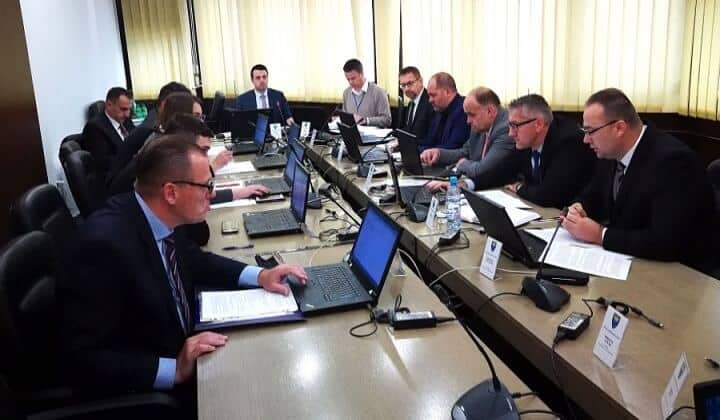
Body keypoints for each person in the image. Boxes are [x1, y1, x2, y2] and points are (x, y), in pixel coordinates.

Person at [59, 134, 307, 406]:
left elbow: (195, 260)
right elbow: (82, 358)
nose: (213, 194)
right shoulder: (104, 246)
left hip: (189, 337)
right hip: (151, 387)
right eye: (206, 186)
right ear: (171, 193)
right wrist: (174, 369)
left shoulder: (159, 215)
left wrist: (260, 275)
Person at [563, 88, 716, 271]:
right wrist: (580, 207)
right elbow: (594, 195)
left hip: (681, 272)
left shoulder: (673, 162)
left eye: (590, 131)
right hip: (629, 259)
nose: (586, 140)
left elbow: (665, 241)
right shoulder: (610, 152)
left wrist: (600, 235)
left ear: (619, 128)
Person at [423, 87, 524, 192]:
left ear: (489, 111)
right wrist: (439, 153)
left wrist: (463, 164)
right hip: (480, 185)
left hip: (500, 190)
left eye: (471, 115)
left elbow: (483, 170)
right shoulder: (480, 125)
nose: (468, 121)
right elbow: (465, 151)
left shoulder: (506, 129)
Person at [503, 94, 596, 209]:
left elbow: (547, 196)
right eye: (510, 126)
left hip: (567, 213)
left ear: (538, 124)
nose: (511, 133)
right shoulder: (526, 141)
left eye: (515, 125)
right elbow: (501, 170)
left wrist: (519, 188)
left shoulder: (569, 141)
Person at [80, 87, 135, 175]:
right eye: (123, 109)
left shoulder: (127, 122)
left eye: (129, 109)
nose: (127, 114)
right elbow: (102, 162)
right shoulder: (95, 127)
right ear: (109, 105)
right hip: (112, 177)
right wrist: (133, 158)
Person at [419, 72, 469, 150]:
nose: (430, 100)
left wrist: (423, 150)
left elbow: (453, 147)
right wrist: (411, 145)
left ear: (447, 92)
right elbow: (429, 141)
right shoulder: (439, 109)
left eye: (433, 95)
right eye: (429, 96)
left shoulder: (463, 110)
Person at [341, 59, 391, 128]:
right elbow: (345, 117)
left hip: (373, 134)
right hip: (353, 132)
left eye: (353, 78)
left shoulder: (379, 92)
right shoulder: (346, 93)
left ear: (362, 74)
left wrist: (367, 120)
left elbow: (387, 120)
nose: (350, 82)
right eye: (348, 79)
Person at [397, 66, 433, 140]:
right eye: (403, 85)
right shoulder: (411, 104)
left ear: (421, 81)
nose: (406, 89)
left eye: (410, 83)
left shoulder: (431, 102)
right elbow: (408, 130)